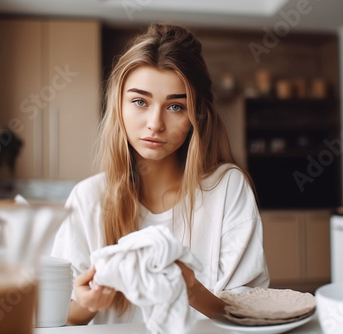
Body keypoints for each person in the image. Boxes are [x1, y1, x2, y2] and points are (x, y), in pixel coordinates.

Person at [51, 22, 269, 326]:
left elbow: (247, 316)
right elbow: (60, 322)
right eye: (140, 101)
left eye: (176, 107)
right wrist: (88, 305)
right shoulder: (88, 199)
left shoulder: (227, 189)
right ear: (119, 105)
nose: (155, 123)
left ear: (197, 117)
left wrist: (189, 288)